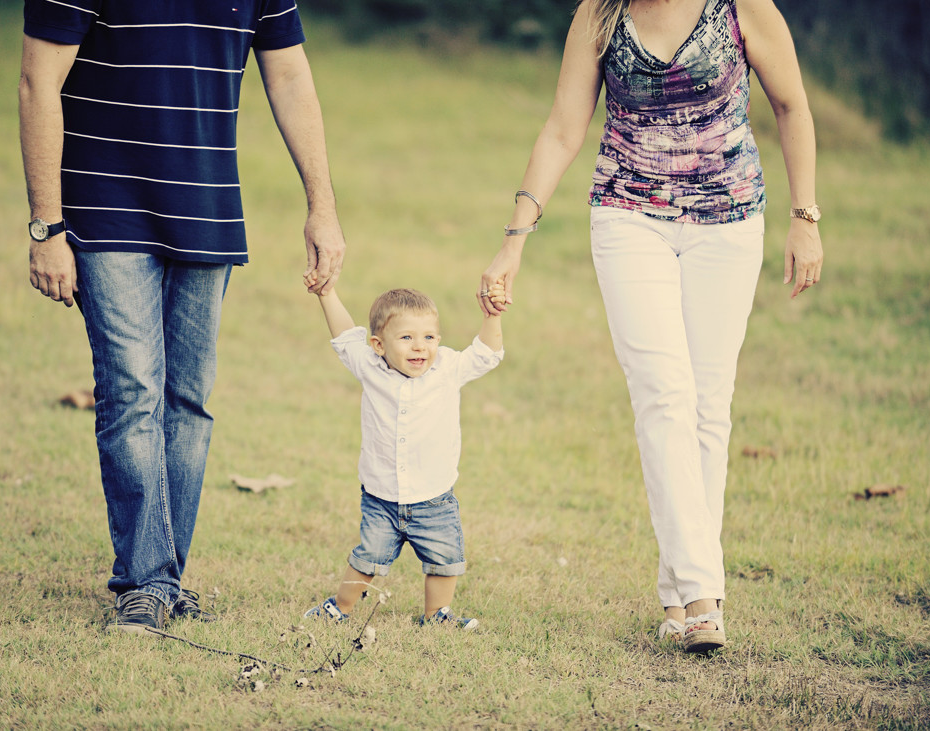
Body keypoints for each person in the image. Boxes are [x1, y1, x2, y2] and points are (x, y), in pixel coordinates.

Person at [480, 0, 823, 653]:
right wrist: (514, 239)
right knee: (664, 394)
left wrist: (805, 214)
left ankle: (677, 591)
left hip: (727, 222)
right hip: (628, 217)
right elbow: (561, 129)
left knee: (706, 406)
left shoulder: (739, 7)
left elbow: (791, 106)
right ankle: (701, 595)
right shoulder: (601, 14)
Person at [19, 0, 346, 635]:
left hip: (206, 205)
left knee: (188, 400)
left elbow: (290, 75)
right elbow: (38, 81)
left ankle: (163, 577)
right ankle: (147, 582)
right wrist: (46, 224)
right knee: (134, 391)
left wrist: (322, 206)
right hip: (102, 200)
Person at [301, 282, 506, 630]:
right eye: (407, 338)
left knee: (444, 560)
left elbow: (487, 353)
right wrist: (327, 293)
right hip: (381, 496)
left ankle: (436, 615)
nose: (420, 347)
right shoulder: (370, 366)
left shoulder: (448, 369)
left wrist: (492, 316)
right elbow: (344, 336)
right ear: (379, 345)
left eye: (429, 337)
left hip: (434, 498)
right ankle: (340, 607)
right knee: (369, 558)